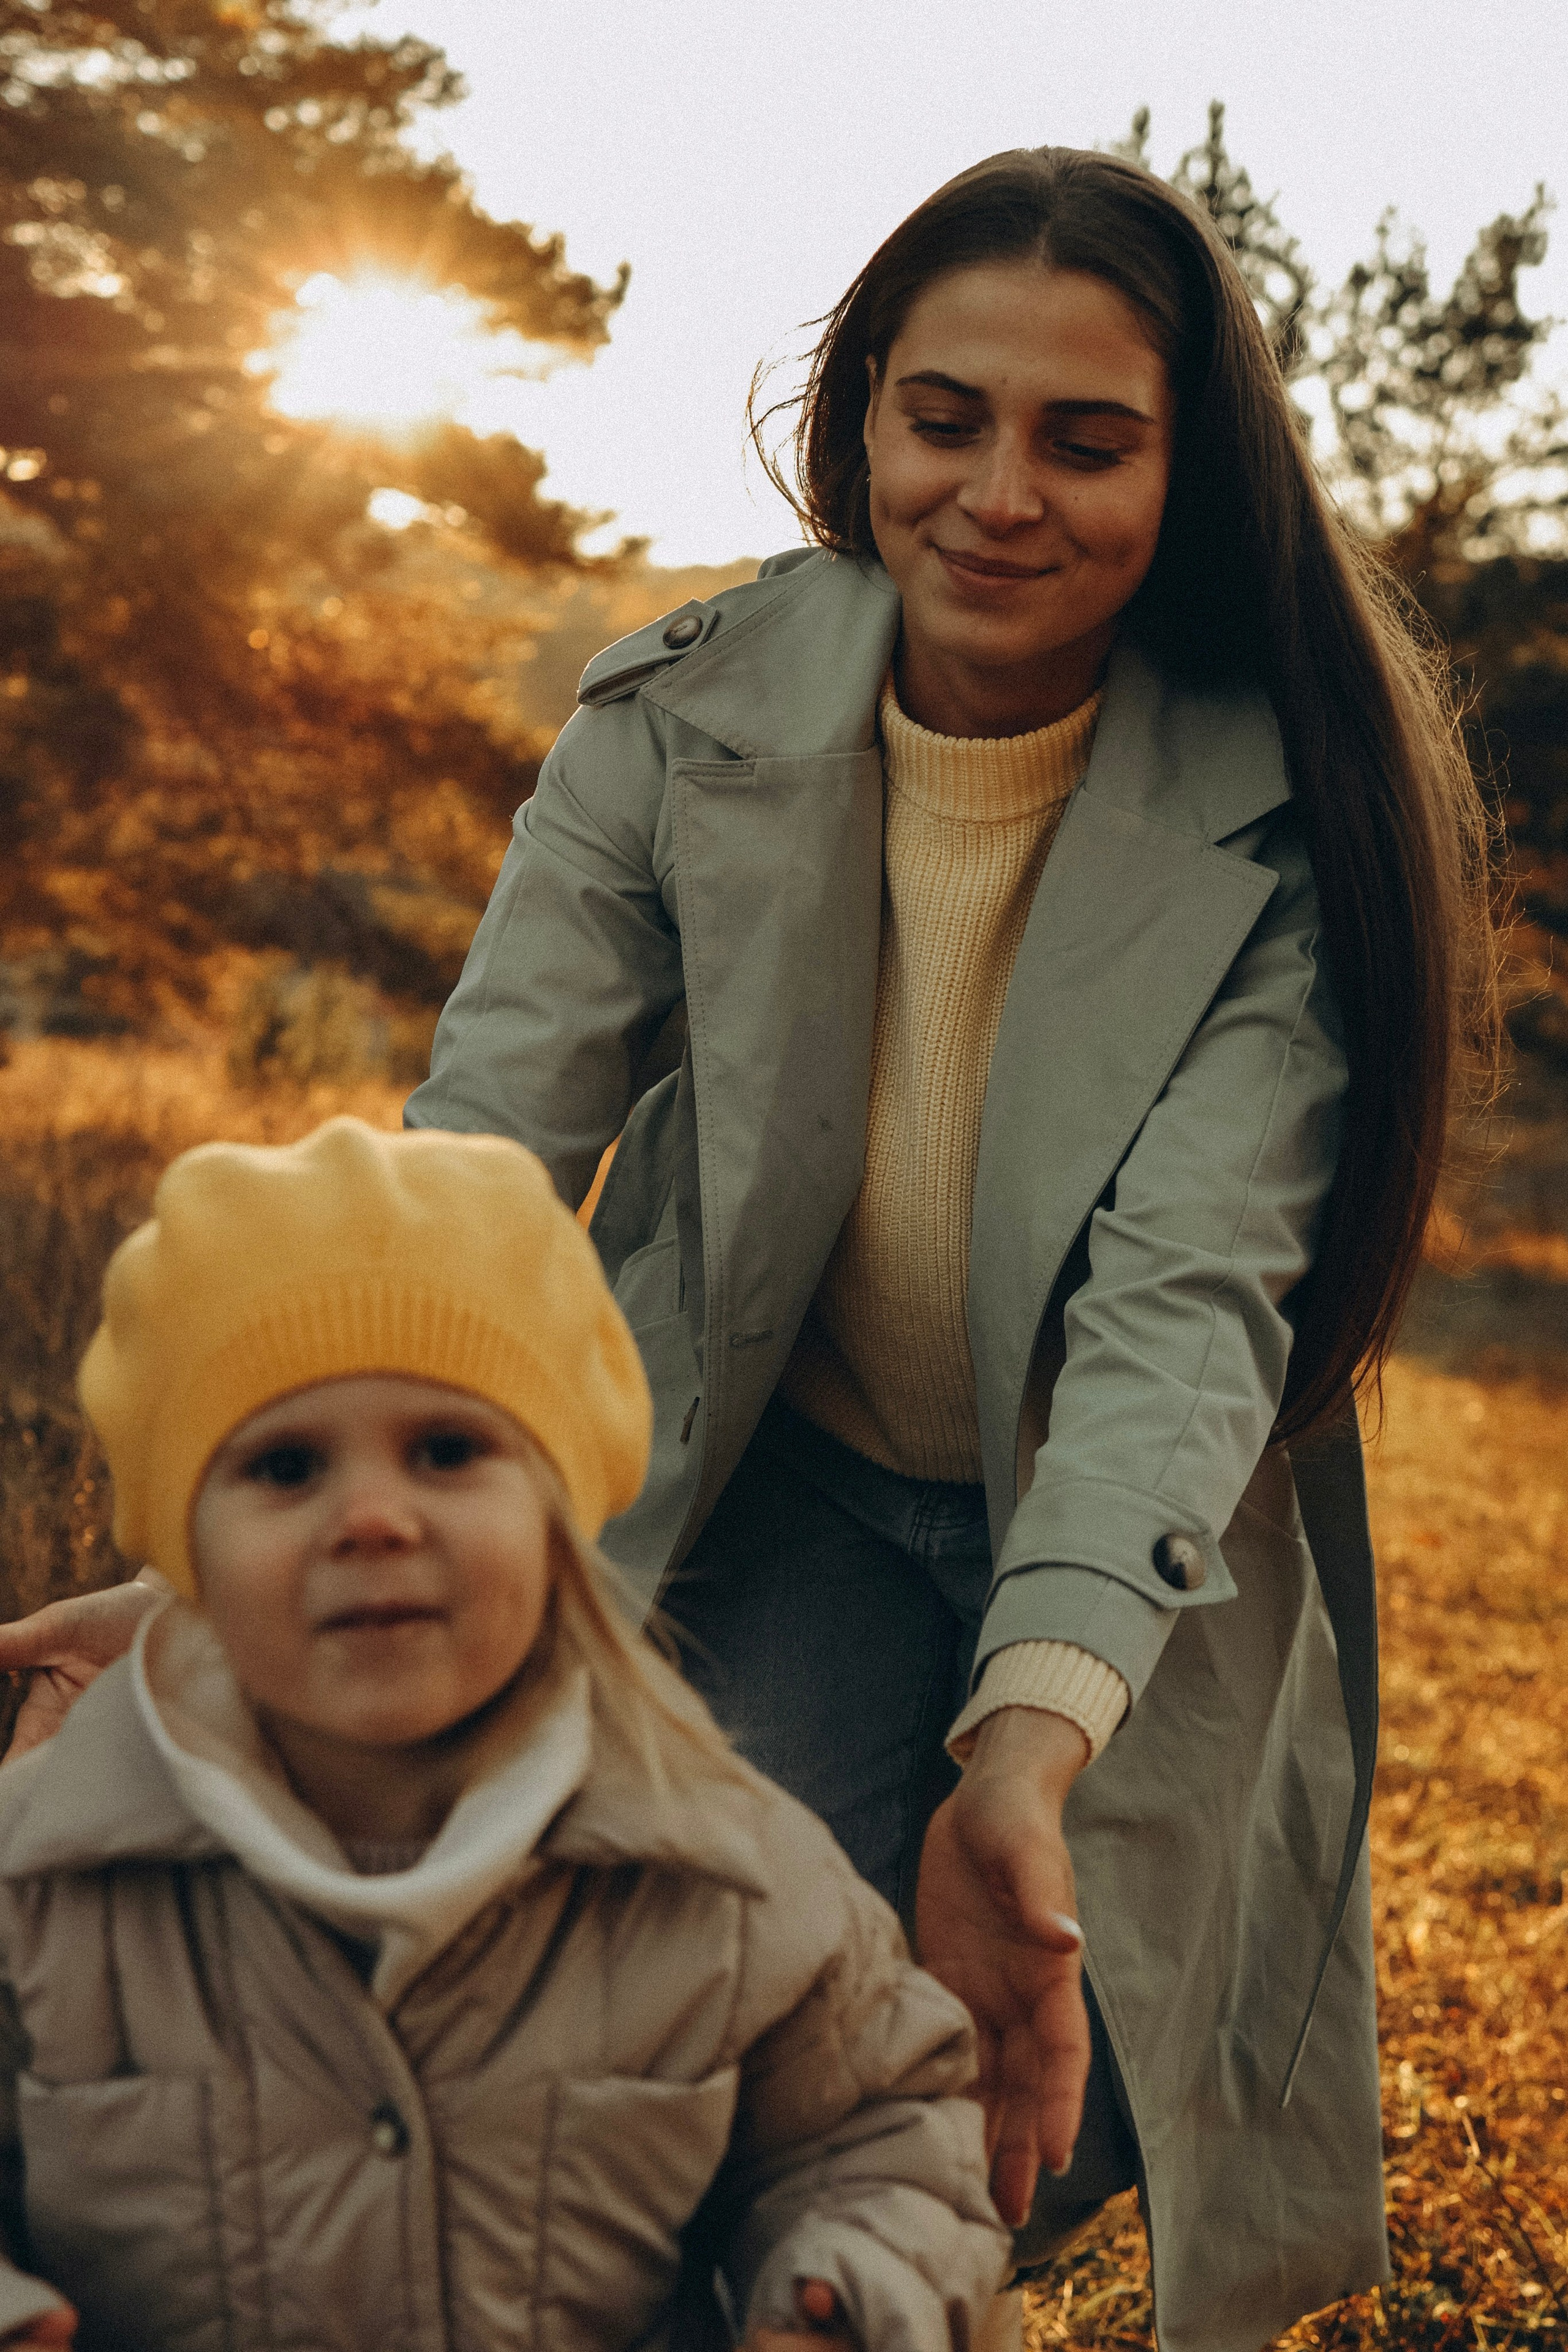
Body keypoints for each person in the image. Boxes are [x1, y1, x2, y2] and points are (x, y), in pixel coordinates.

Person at [0, 148, 1496, 2352]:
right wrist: (276, 1489)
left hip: (1115, 1527)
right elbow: (494, 1153)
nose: (998, 493)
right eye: (944, 417)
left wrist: (1023, 1751)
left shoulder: (1291, 818)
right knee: (673, 2007)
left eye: (1086, 441)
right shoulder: (681, 715)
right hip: (775, 1477)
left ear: (1192, 472)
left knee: (1038, 2059)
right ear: (864, 412)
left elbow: (1185, 1315)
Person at [0, 1119, 1008, 2352]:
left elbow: (879, 2138)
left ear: (556, 1517)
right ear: (183, 1548)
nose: (371, 1516)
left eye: (446, 1450)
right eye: (284, 1466)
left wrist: (844, 2285)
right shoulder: (39, 1879)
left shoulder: (722, 1870)